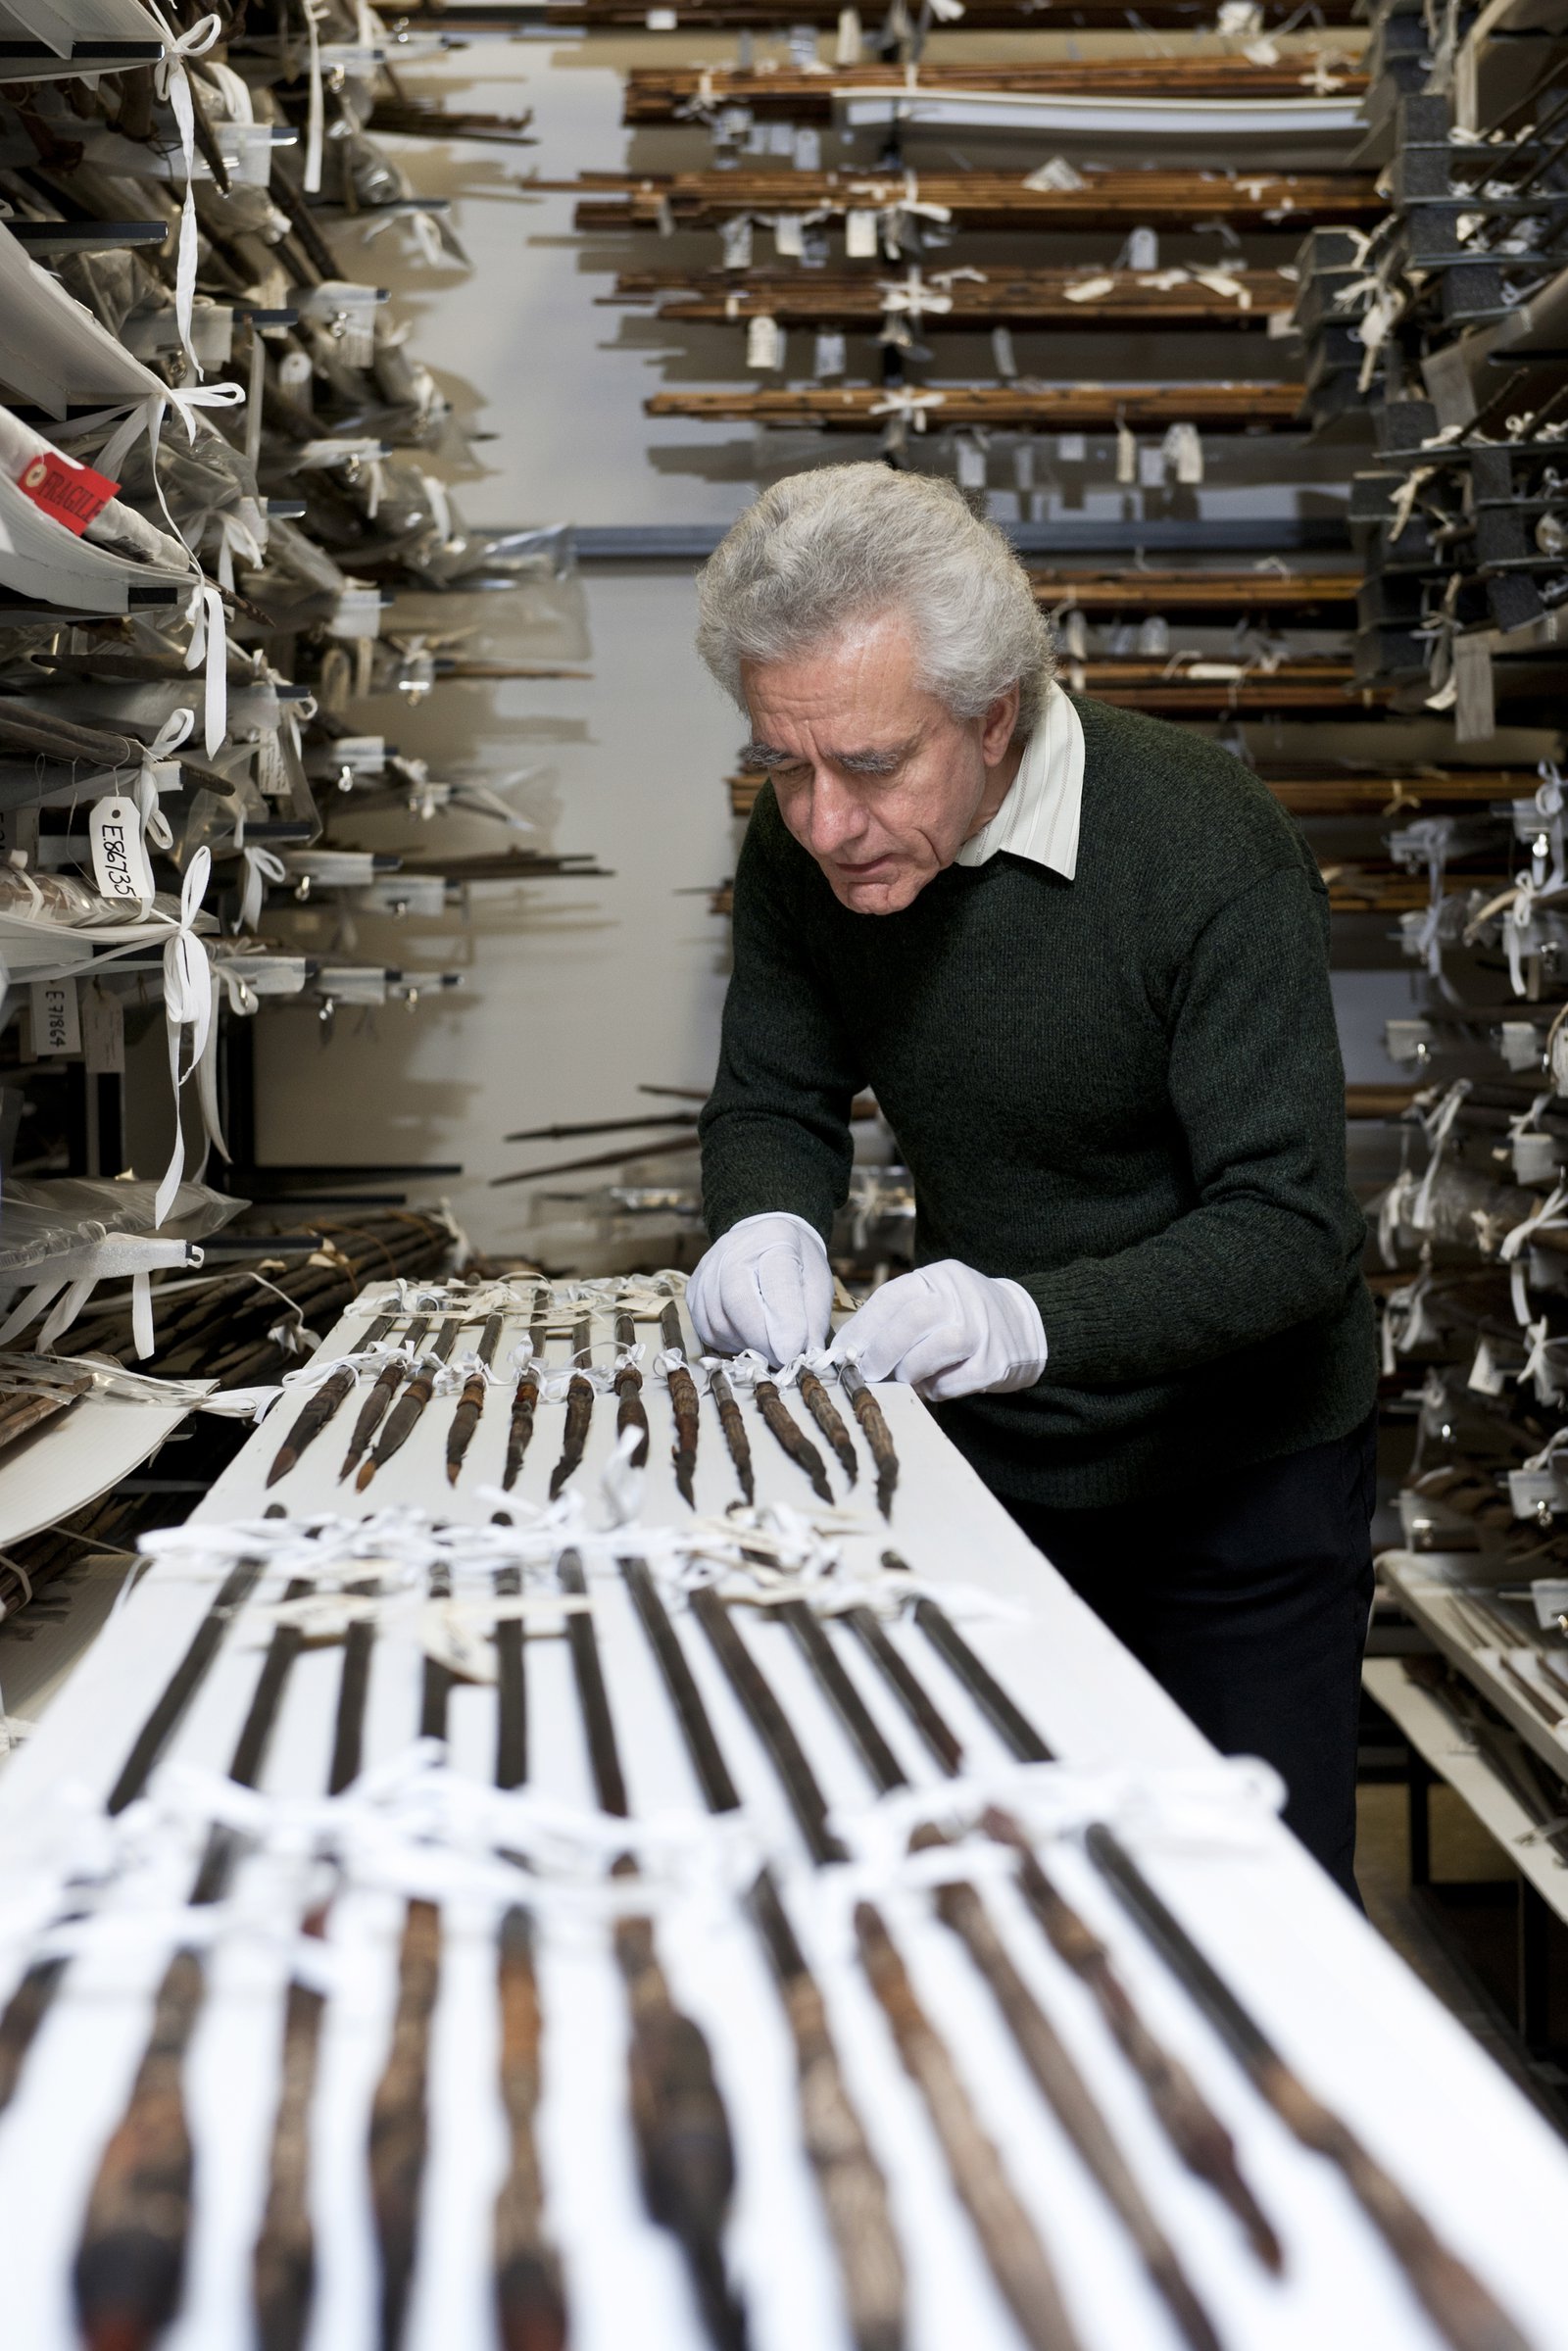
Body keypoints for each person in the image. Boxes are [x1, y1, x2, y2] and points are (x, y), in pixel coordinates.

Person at [685, 463, 1379, 1898]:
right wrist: (764, 1216)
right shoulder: (805, 840)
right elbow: (773, 1097)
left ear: (993, 717)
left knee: (1247, 1913)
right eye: (783, 765)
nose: (823, 822)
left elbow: (1289, 1228)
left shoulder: (1202, 843)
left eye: (872, 768)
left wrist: (1028, 1319)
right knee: (1013, 1900)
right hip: (996, 1472)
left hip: (1239, 1479)